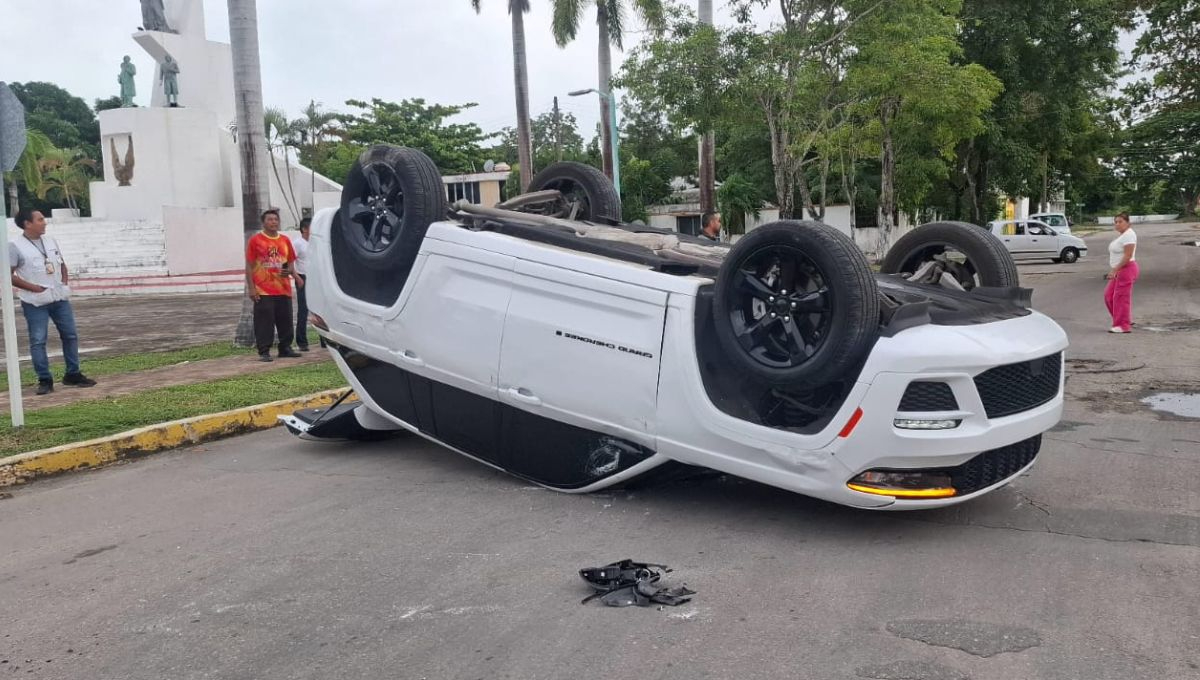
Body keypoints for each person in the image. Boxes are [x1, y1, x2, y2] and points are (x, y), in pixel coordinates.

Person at [8, 209, 97, 395]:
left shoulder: (50, 241)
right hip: (35, 302)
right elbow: (9, 274)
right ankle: (44, 379)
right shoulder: (15, 246)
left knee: (70, 335)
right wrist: (34, 288)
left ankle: (72, 374)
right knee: (38, 340)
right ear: (27, 224)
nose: (45, 222)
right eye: (40, 219)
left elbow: (61, 263)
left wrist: (64, 282)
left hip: (58, 298)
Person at [246, 209, 304, 361]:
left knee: (285, 320)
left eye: (275, 219)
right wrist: (252, 288)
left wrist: (295, 276)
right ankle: (264, 351)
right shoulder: (256, 240)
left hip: (283, 288)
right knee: (264, 321)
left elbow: (289, 262)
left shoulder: (284, 240)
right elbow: (250, 265)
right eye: (270, 219)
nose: (273, 222)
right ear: (263, 222)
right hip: (263, 289)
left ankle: (285, 348)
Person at [1104, 212, 1138, 334]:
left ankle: (1122, 325)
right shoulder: (1123, 235)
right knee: (1109, 296)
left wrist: (1114, 270)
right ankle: (1123, 319)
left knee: (1121, 298)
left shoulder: (1129, 235)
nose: (1117, 224)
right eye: (1116, 222)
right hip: (1120, 270)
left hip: (1126, 269)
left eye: (1120, 222)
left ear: (1128, 223)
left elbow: (1128, 256)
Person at [290, 217, 313, 351]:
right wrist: (296, 277)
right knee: (303, 311)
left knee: (320, 310)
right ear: (304, 229)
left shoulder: (315, 242)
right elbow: (290, 261)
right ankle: (302, 342)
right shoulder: (297, 243)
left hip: (315, 278)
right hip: (303, 278)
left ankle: (324, 340)